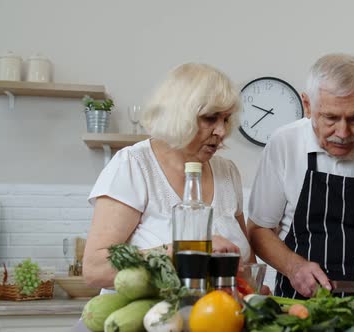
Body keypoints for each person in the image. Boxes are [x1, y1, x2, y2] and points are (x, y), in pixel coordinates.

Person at [247, 53, 354, 301]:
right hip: (299, 305)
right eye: (330, 118)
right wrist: (294, 267)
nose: (343, 132)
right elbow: (258, 229)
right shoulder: (284, 143)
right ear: (307, 106)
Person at [83, 63, 253, 288]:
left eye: (226, 119)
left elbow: (247, 264)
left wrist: (253, 289)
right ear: (179, 115)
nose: (221, 131)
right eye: (210, 118)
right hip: (151, 319)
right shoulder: (133, 165)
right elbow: (95, 269)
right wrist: (186, 250)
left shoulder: (227, 172)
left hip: (219, 318)